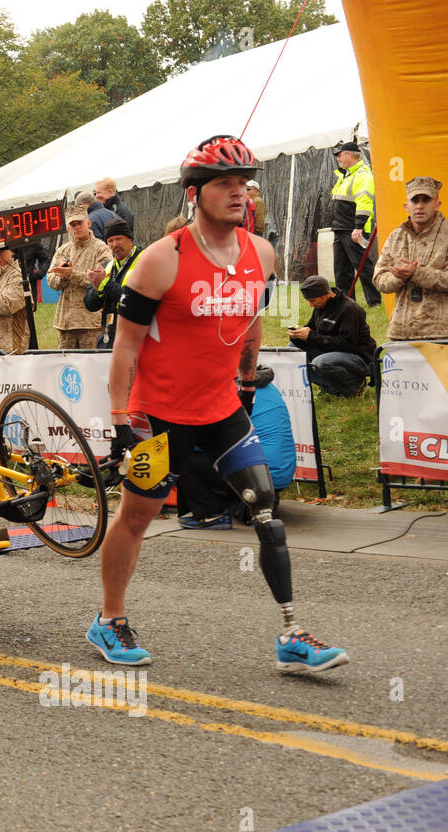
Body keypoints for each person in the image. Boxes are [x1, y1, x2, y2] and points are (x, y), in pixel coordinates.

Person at [95, 133, 349, 674]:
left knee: (266, 511)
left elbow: (252, 320)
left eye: (244, 184)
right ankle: (109, 618)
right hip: (158, 416)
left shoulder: (261, 252)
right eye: (225, 184)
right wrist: (120, 419)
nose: (239, 194)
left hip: (221, 410)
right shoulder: (160, 261)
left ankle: (291, 633)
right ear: (196, 193)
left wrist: (247, 379)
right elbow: (126, 346)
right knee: (137, 518)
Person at [177, 365, 295, 528]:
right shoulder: (265, 385)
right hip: (279, 474)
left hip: (259, 471)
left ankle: (210, 514)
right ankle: (254, 505)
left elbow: (202, 440)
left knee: (179, 454)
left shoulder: (229, 392)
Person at [373, 175, 448, 341]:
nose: (420, 206)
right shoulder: (396, 237)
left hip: (441, 336)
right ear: (407, 206)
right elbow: (379, 279)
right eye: (415, 200)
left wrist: (417, 273)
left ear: (437, 204)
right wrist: (399, 278)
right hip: (401, 334)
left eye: (426, 200)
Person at [288, 275, 377, 396]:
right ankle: (331, 388)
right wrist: (297, 335)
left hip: (358, 357)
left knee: (321, 362)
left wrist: (310, 337)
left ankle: (355, 385)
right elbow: (311, 330)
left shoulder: (351, 309)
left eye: (312, 300)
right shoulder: (321, 306)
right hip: (332, 351)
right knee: (291, 351)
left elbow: (347, 344)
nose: (310, 305)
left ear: (325, 295)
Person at [48, 205, 111, 348]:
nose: (76, 227)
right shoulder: (64, 249)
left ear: (88, 223)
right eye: (72, 224)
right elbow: (51, 279)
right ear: (68, 228)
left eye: (79, 223)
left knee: (91, 367)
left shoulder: (101, 249)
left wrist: (72, 274)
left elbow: (101, 280)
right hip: (65, 323)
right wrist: (62, 276)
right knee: (65, 366)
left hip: (89, 322)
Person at [329, 142, 380, 307]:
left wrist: (358, 227)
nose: (337, 158)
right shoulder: (346, 176)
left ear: (349, 155)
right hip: (341, 228)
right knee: (341, 269)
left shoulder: (363, 175)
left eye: (339, 155)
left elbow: (364, 203)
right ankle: (346, 302)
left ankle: (375, 301)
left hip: (353, 229)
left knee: (363, 266)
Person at [84, 219, 143, 349]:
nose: (115, 244)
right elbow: (90, 305)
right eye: (110, 241)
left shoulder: (145, 261)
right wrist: (96, 290)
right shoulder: (107, 266)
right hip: (109, 337)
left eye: (119, 239)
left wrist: (105, 284)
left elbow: (136, 302)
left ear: (130, 239)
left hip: (137, 339)